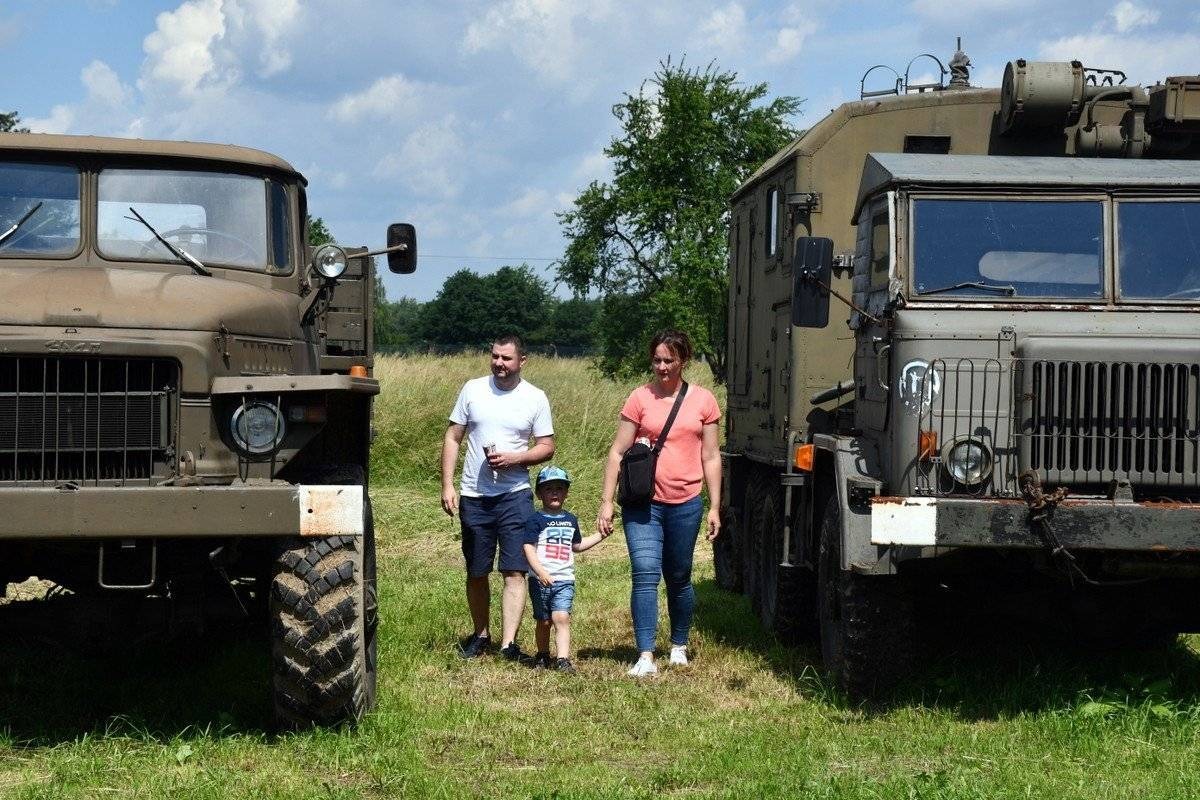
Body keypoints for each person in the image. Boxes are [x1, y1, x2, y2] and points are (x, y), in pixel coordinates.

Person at [597, 330, 722, 677]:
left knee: (679, 577)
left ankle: (679, 645)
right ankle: (646, 653)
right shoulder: (639, 398)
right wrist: (606, 502)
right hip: (643, 504)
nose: (662, 367)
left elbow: (711, 456)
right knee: (645, 574)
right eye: (657, 360)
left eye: (669, 360)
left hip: (686, 503)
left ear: (683, 361)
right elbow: (616, 451)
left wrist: (714, 506)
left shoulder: (703, 401)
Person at [442, 335, 555, 661]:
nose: (499, 363)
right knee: (477, 570)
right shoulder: (472, 389)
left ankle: (508, 645)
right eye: (495, 356)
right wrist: (447, 485)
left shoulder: (535, 397)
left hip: (514, 496)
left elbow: (547, 446)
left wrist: (515, 458)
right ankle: (480, 635)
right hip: (474, 495)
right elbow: (452, 437)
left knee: (514, 570)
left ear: (522, 361)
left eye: (506, 358)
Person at [522, 465, 609, 674]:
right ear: (539, 493)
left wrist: (600, 536)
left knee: (562, 617)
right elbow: (528, 548)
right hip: (540, 580)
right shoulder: (536, 519)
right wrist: (540, 572)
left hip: (564, 579)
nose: (554, 492)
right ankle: (543, 654)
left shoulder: (571, 520)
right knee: (544, 621)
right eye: (548, 488)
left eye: (559, 488)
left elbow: (576, 546)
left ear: (566, 492)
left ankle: (562, 659)